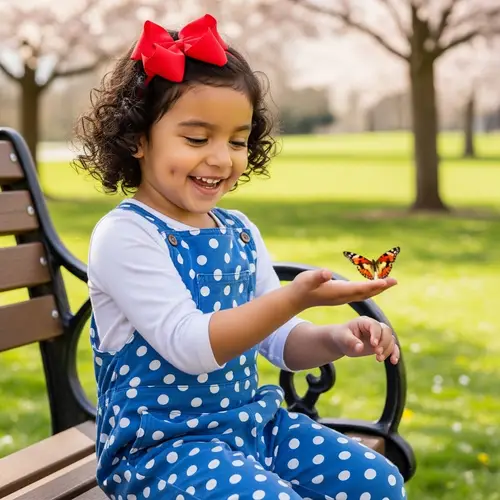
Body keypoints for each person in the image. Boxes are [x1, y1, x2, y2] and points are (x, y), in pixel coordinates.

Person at [73, 13, 407, 500]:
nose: (221, 158)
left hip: (253, 428)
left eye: (237, 140)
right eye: (196, 138)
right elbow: (190, 346)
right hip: (162, 450)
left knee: (376, 481)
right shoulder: (125, 235)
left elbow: (280, 341)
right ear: (138, 138)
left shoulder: (239, 230)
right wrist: (293, 299)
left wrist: (336, 338)